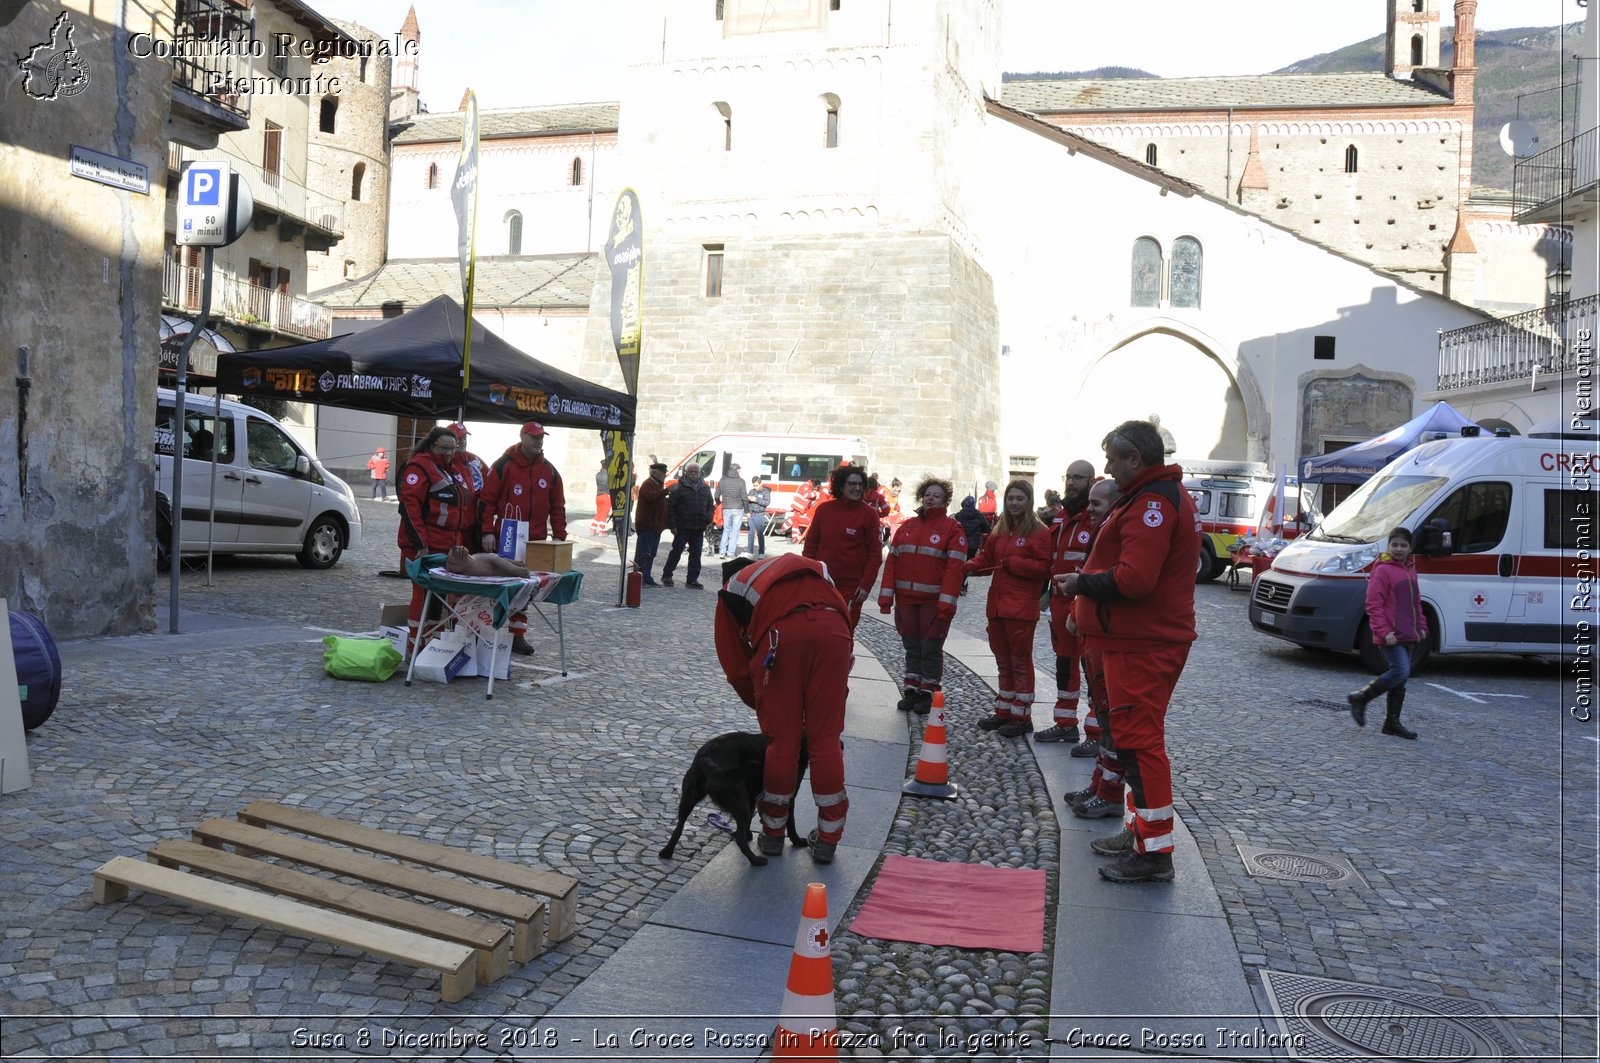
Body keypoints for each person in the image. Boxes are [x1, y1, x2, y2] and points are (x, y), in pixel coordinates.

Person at [1057, 419, 1199, 884]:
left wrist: (1081, 584)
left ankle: (1155, 853)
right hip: (1131, 640)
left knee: (1140, 745)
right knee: (1131, 742)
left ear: (1135, 459)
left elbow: (1135, 579)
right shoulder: (1147, 497)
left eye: (1113, 460)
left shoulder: (1152, 503)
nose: (1107, 468)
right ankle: (1142, 836)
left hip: (1143, 643)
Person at [714, 554, 853, 864]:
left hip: (782, 638)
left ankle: (773, 833)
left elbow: (736, 668)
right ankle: (829, 837)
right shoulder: (809, 569)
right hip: (836, 633)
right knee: (826, 739)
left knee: (783, 741)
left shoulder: (731, 591)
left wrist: (764, 702)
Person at [1062, 479, 1128, 823]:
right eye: (1088, 502)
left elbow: (1106, 581)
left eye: (1096, 503)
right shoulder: (1102, 531)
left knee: (1114, 727)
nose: (1089, 508)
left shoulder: (1115, 533)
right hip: (1094, 639)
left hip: (1107, 640)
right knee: (1105, 723)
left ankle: (1111, 794)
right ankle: (1100, 785)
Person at [965, 480, 1052, 737]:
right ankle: (1004, 710)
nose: (1014, 503)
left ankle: (1022, 716)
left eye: (1020, 498)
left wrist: (1016, 564)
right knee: (1003, 661)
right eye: (1011, 498)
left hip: (1021, 608)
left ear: (1029, 501)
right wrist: (970, 565)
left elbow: (1045, 568)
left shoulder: (1039, 532)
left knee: (1020, 662)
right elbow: (987, 558)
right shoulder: (1000, 529)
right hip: (998, 607)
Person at [876, 478, 967, 715]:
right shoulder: (907, 527)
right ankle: (911, 689)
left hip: (933, 603)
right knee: (912, 646)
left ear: (945, 501)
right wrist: (886, 598)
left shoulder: (952, 529)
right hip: (907, 601)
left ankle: (928, 692)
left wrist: (947, 604)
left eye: (936, 495)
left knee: (931, 648)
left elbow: (954, 570)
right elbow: (892, 564)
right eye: (927, 494)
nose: (930, 498)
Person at [478, 421, 567, 655]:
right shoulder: (503, 465)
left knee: (526, 589)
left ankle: (518, 635)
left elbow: (557, 506)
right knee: (501, 585)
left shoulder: (549, 470)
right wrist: (487, 530)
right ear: (523, 437)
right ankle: (489, 632)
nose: (539, 441)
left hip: (535, 541)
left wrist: (559, 535)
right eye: (534, 437)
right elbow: (487, 500)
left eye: (541, 438)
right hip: (506, 537)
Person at [397, 427, 476, 652]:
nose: (450, 453)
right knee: (422, 594)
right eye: (445, 449)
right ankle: (415, 645)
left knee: (439, 597)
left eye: (453, 449)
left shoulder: (450, 470)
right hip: (424, 546)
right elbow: (410, 508)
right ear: (431, 445)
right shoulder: (419, 467)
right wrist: (421, 544)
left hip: (446, 545)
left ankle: (432, 644)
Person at [1037, 461, 1097, 746]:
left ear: (1091, 480)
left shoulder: (1097, 516)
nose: (1071, 483)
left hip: (1086, 604)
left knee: (1092, 667)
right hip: (1059, 604)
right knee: (1065, 664)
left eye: (1078, 478)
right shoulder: (1060, 517)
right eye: (1068, 477)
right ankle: (1065, 723)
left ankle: (1097, 733)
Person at [1346, 527, 1424, 739]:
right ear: (1388, 546)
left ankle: (1392, 722)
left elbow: (1416, 602)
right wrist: (1384, 631)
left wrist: (1422, 626)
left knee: (1401, 679)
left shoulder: (1410, 569)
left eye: (1403, 545)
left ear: (1411, 548)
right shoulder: (1383, 570)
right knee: (1400, 671)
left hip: (1407, 633)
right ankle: (1361, 697)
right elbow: (1373, 604)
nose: (1399, 549)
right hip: (1390, 635)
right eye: (1394, 544)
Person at [802, 464, 883, 630]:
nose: (857, 488)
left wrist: (866, 584)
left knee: (844, 630)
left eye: (860, 484)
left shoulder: (869, 515)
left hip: (852, 586)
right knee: (818, 627)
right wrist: (809, 574)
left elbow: (875, 554)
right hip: (822, 581)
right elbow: (811, 545)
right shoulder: (824, 510)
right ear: (841, 486)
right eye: (852, 484)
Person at [660, 461, 714, 588]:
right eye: (691, 471)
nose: (694, 473)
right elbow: (671, 508)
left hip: (699, 527)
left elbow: (710, 505)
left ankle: (692, 579)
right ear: (686, 473)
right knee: (676, 552)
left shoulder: (705, 488)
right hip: (682, 527)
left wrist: (708, 518)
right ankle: (667, 575)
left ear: (699, 473)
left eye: (696, 471)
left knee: (696, 554)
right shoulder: (678, 488)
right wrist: (672, 525)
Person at [633, 461, 670, 586]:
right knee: (644, 553)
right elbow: (651, 497)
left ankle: (646, 576)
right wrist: (667, 491)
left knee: (651, 553)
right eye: (663, 473)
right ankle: (640, 577)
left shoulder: (658, 485)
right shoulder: (648, 484)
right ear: (656, 473)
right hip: (647, 525)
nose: (665, 475)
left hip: (655, 526)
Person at [716, 463, 748, 558]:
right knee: (735, 531)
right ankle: (730, 553)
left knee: (726, 529)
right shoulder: (741, 481)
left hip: (726, 508)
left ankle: (722, 552)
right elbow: (744, 497)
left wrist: (720, 504)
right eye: (739, 469)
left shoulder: (722, 480)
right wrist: (747, 510)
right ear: (737, 470)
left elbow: (716, 496)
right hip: (738, 508)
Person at [444, 545, 529, 578]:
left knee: (491, 559)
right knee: (521, 570)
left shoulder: (479, 558)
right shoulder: (454, 562)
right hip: (486, 562)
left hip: (483, 561)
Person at [745, 475, 772, 558]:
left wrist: (756, 500)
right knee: (750, 534)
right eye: (754, 485)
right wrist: (747, 511)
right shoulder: (751, 491)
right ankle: (750, 552)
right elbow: (747, 503)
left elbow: (766, 503)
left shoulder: (765, 492)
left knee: (760, 534)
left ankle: (761, 552)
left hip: (760, 515)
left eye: (756, 485)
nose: (755, 487)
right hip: (751, 515)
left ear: (761, 484)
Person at [594, 459, 613, 527]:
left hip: (598, 495)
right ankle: (601, 530)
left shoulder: (598, 474)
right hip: (606, 496)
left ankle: (593, 528)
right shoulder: (610, 475)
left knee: (599, 512)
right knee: (604, 513)